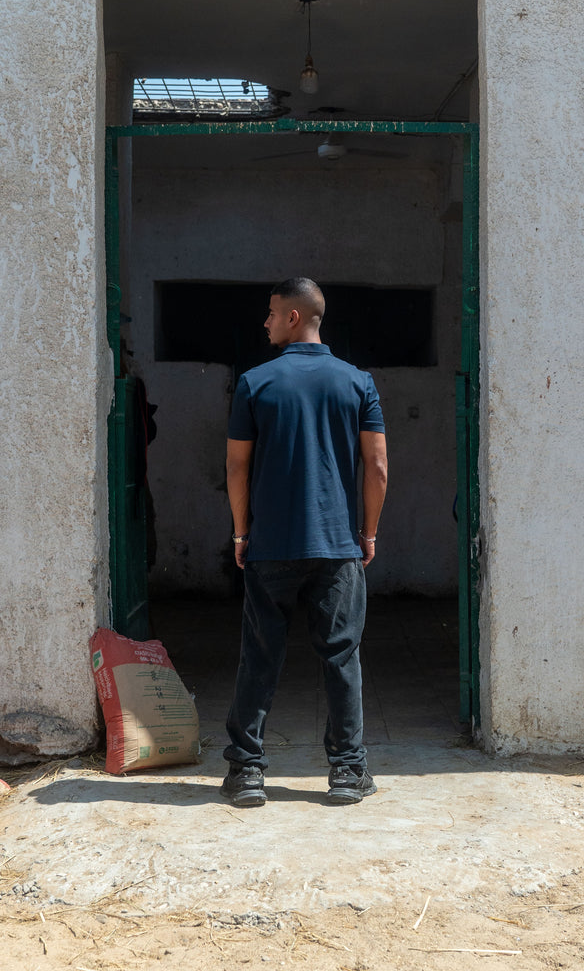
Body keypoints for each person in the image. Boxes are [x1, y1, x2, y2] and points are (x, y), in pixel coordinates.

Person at [221, 277, 388, 807]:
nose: (265, 322)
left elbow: (236, 466)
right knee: (341, 657)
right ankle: (348, 772)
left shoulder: (254, 383)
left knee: (259, 657)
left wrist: (242, 531)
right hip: (338, 547)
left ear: (294, 317)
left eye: (272, 313)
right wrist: (367, 533)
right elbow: (377, 467)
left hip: (271, 544)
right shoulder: (358, 383)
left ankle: (246, 772)